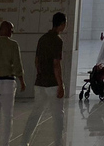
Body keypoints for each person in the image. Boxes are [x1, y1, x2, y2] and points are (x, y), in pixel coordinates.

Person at [21, 12, 67, 146]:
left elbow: (36, 61)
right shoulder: (57, 40)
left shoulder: (42, 39)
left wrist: (41, 74)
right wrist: (60, 84)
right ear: (62, 24)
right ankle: (58, 143)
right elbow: (56, 64)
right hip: (52, 84)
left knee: (35, 114)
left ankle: (24, 142)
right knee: (58, 116)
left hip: (40, 83)